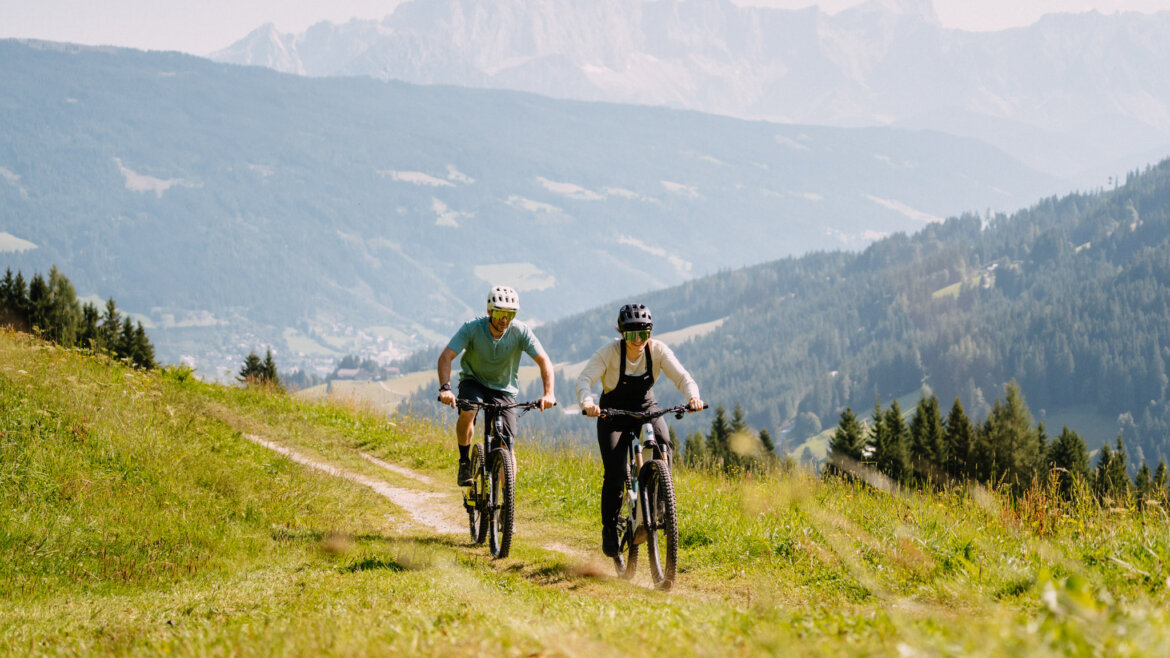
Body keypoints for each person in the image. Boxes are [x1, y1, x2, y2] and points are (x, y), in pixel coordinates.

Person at [577, 303, 703, 557]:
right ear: (622, 334)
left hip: (646, 408)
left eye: (644, 334)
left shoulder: (658, 351)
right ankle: (610, 529)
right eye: (633, 335)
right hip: (613, 413)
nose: (639, 341)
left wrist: (693, 397)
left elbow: (682, 377)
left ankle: (658, 506)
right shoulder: (608, 353)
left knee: (664, 446)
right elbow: (584, 380)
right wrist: (587, 403)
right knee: (613, 472)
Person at [438, 285, 556, 485]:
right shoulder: (472, 328)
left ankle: (505, 507)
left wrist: (549, 393)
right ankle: (465, 461)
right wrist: (445, 389)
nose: (504, 320)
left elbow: (544, 361)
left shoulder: (520, 331)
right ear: (489, 311)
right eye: (500, 313)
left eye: (510, 315)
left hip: (503, 388)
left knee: (507, 445)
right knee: (469, 409)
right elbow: (446, 357)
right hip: (473, 381)